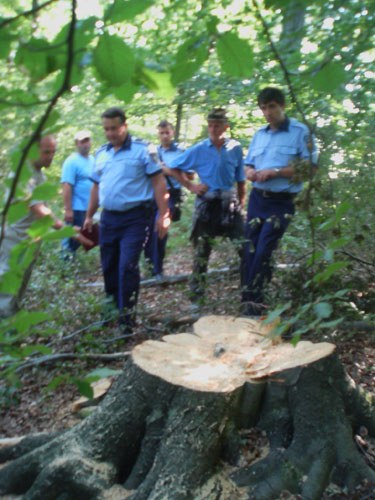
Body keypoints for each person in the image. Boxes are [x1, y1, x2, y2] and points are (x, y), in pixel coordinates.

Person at [83, 107, 170, 331]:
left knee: (127, 265)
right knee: (109, 265)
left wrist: (164, 214)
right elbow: (96, 186)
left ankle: (126, 318)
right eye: (106, 129)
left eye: (114, 128)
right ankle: (111, 309)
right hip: (109, 219)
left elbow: (159, 182)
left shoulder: (144, 150)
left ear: (124, 126)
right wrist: (89, 215)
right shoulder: (101, 153)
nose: (110, 133)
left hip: (136, 218)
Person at [242, 87, 318, 316]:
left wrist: (275, 171)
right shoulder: (259, 134)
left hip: (282, 201)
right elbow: (248, 164)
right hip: (257, 199)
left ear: (283, 106)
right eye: (263, 108)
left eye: (272, 106)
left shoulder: (300, 132)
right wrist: (250, 172)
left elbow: (310, 169)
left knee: (265, 248)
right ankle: (249, 299)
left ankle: (254, 305)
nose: (268, 112)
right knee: (249, 248)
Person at [0, 136, 92, 318]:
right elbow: (38, 209)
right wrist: (65, 230)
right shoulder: (24, 173)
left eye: (53, 151)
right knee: (7, 291)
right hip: (14, 242)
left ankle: (10, 335)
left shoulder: (38, 175)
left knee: (17, 292)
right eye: (46, 152)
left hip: (29, 243)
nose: (50, 156)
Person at [170, 108, 246, 304]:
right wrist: (191, 186)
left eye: (217, 125)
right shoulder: (199, 149)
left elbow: (241, 179)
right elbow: (171, 167)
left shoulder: (235, 148)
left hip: (230, 206)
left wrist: (241, 203)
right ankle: (197, 299)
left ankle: (250, 294)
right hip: (207, 206)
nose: (213, 129)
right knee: (201, 254)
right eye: (210, 125)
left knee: (245, 248)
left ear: (225, 127)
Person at [144, 120, 187, 279]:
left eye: (167, 132)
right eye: (161, 133)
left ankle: (158, 270)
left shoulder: (182, 151)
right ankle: (150, 269)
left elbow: (188, 175)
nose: (164, 136)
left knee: (160, 230)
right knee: (148, 231)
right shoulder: (153, 152)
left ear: (172, 132)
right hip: (153, 194)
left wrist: (167, 170)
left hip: (171, 195)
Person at [61, 130, 94, 256]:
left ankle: (77, 264)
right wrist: (68, 210)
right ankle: (66, 262)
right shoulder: (71, 161)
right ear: (76, 143)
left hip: (89, 208)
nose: (86, 144)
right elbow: (67, 185)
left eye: (87, 140)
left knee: (85, 237)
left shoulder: (93, 160)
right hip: (77, 207)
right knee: (72, 236)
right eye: (82, 142)